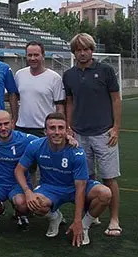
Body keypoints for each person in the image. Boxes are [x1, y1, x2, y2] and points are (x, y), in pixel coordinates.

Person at [14, 112, 112, 247]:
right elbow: (19, 170)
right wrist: (28, 191)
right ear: (45, 131)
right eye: (52, 128)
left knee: (105, 193)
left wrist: (77, 221)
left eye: (60, 128)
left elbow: (80, 187)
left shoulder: (76, 151)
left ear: (67, 131)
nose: (56, 132)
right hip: (50, 188)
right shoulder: (35, 145)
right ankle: (55, 217)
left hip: (74, 187)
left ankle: (84, 226)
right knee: (32, 203)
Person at [62, 32, 122, 237]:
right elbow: (69, 102)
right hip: (79, 134)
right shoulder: (69, 75)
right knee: (86, 178)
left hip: (104, 133)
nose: (82, 53)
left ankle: (114, 219)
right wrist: (69, 127)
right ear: (74, 52)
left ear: (92, 50)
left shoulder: (105, 70)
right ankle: (92, 214)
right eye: (78, 50)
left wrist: (115, 128)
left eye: (86, 49)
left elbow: (115, 99)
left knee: (109, 178)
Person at [15, 41, 65, 136]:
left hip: (43, 130)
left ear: (43, 55)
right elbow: (15, 98)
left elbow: (60, 107)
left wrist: (58, 128)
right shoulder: (19, 75)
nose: (32, 58)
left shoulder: (54, 78)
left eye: (36, 55)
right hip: (21, 128)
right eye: (30, 55)